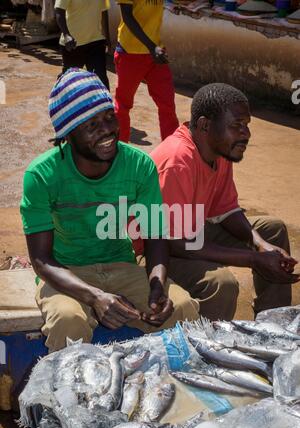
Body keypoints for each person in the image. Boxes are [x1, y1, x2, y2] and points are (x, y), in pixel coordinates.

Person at [20, 68, 198, 352]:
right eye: (91, 125)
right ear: (67, 134)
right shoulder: (41, 175)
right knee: (68, 323)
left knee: (184, 308)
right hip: (67, 272)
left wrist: (157, 285)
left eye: (108, 118)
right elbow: (41, 260)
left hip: (122, 266)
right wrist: (95, 297)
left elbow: (155, 236)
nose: (107, 131)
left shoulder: (139, 165)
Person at [150, 83, 299, 321]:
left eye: (246, 125)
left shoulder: (219, 150)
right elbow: (176, 243)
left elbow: (226, 209)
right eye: (236, 126)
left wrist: (261, 245)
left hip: (189, 233)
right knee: (221, 283)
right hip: (154, 250)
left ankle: (273, 324)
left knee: (271, 230)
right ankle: (210, 349)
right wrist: (254, 258)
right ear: (204, 125)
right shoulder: (177, 162)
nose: (246, 133)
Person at [114, 0, 179, 143]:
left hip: (155, 51)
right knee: (123, 105)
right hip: (130, 52)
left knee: (167, 103)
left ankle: (172, 149)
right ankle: (119, 150)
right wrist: (152, 47)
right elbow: (127, 16)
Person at [55, 0, 110, 89]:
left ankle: (104, 103)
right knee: (70, 82)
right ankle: (60, 96)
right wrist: (66, 35)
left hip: (96, 41)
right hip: (73, 44)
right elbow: (59, 11)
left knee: (101, 80)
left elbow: (104, 11)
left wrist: (107, 37)